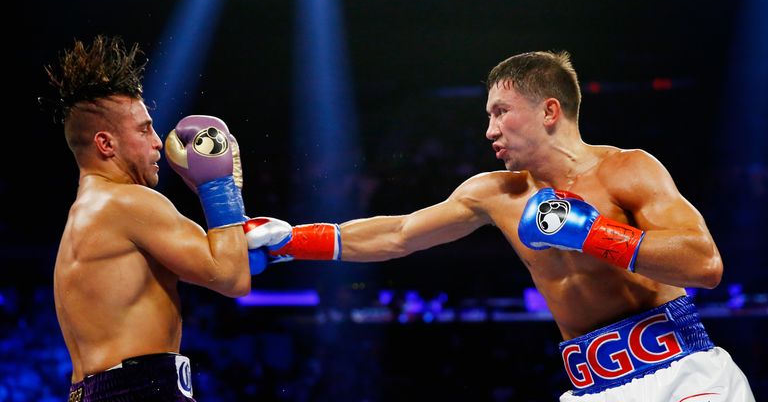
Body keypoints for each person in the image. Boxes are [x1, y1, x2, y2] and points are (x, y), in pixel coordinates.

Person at [243, 51, 756, 400]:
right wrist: (291, 239)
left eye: (500, 112)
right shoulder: (495, 194)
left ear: (549, 110)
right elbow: (398, 234)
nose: (489, 129)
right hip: (593, 386)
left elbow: (704, 265)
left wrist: (593, 233)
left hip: (684, 376)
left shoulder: (628, 169)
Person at [47, 35, 252, 401]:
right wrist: (219, 187)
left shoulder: (89, 211)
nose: (158, 141)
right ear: (105, 144)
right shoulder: (130, 203)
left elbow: (223, 255)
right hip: (139, 390)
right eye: (144, 129)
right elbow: (232, 276)